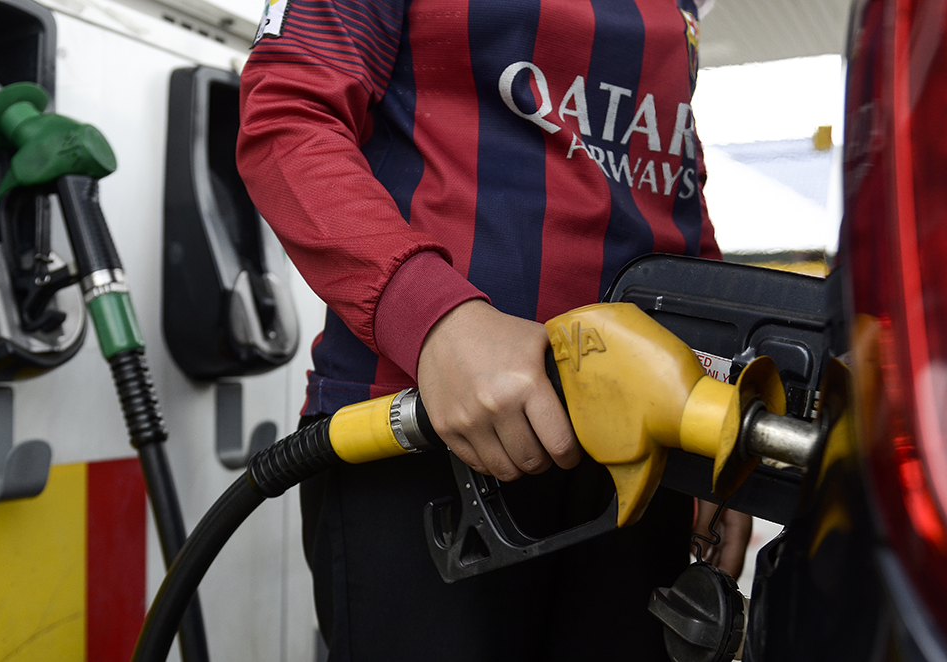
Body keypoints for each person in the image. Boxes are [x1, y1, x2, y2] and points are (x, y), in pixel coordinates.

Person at [237, 0, 750, 659]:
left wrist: (724, 417)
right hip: (419, 434)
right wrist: (435, 320)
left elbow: (670, 186)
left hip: (646, 446)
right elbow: (288, 116)